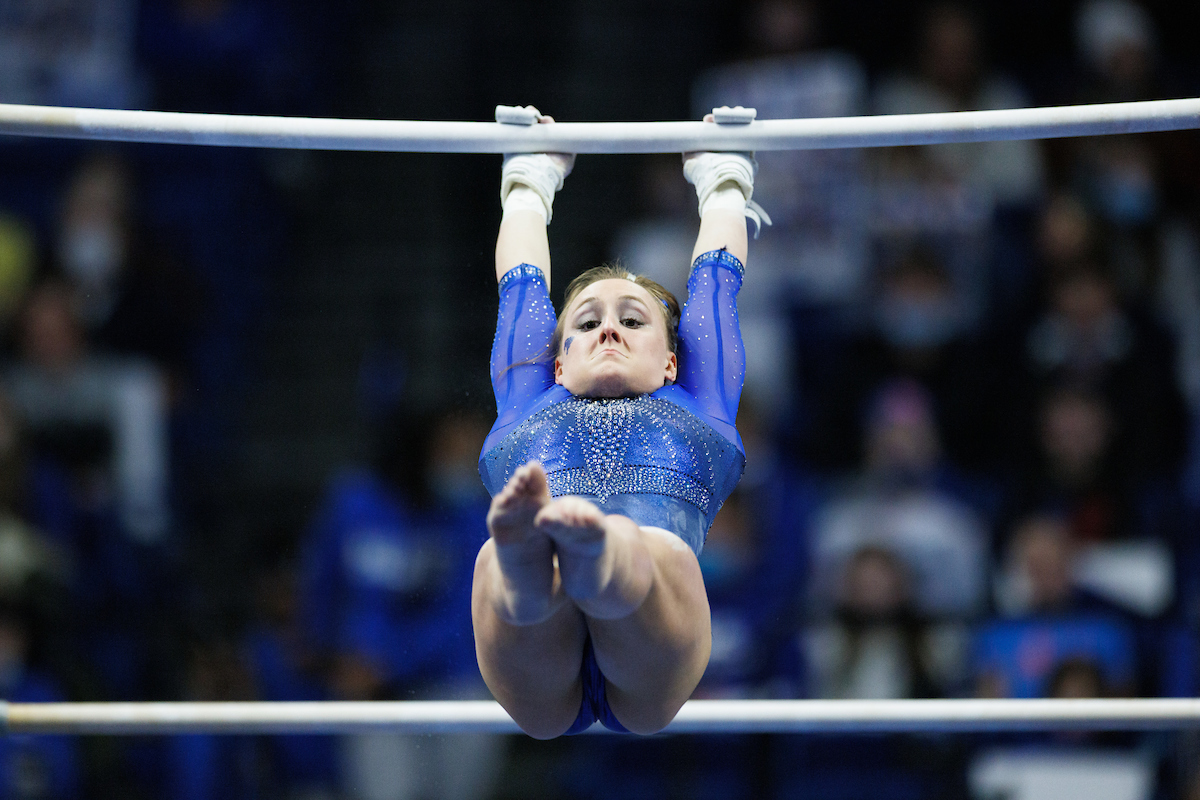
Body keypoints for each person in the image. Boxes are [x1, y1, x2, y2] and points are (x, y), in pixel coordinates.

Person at [472, 109, 758, 737]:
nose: (607, 329)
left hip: (654, 632)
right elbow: (519, 287)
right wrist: (531, 177)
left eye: (632, 321)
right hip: (533, 651)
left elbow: (716, 282)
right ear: (557, 362)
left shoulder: (700, 396)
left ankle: (583, 559)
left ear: (672, 362)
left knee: (643, 548)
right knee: (496, 560)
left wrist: (723, 177)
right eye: (586, 322)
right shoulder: (530, 393)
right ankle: (533, 575)